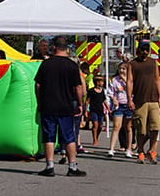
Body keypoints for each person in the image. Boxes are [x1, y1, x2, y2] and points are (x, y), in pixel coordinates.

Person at [34, 37, 87, 177]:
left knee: (49, 137)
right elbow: (78, 87)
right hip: (66, 106)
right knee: (69, 137)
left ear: (54, 48)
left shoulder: (46, 64)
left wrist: (40, 102)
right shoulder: (72, 66)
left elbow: (38, 85)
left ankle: (49, 166)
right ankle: (72, 167)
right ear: (66, 48)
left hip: (48, 105)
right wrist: (80, 104)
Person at [127, 42, 160, 164]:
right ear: (138, 50)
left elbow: (157, 80)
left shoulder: (153, 62)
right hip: (140, 100)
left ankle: (152, 151)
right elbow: (130, 81)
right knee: (141, 129)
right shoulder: (132, 64)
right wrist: (129, 99)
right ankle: (141, 152)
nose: (145, 52)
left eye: (147, 50)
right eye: (143, 50)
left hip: (153, 99)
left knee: (156, 127)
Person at [106, 63, 133, 157]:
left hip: (129, 105)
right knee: (116, 126)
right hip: (119, 106)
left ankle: (129, 149)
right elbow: (110, 92)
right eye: (120, 69)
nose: (122, 71)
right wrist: (113, 99)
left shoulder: (131, 79)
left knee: (128, 127)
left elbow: (133, 90)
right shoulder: (114, 80)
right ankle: (111, 149)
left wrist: (125, 81)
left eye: (124, 69)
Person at [86, 75, 108, 147]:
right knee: (95, 125)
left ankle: (97, 136)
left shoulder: (102, 91)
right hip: (93, 110)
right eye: (101, 81)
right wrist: (86, 110)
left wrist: (108, 108)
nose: (103, 83)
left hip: (100, 110)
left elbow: (104, 100)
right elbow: (87, 101)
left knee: (100, 126)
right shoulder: (91, 91)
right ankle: (94, 139)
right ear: (97, 82)